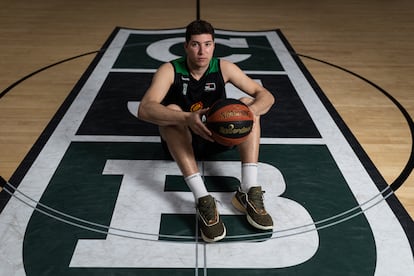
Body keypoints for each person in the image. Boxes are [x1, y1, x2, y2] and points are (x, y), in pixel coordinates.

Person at [138, 20, 275, 242]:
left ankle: (248, 190)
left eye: (207, 44)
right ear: (185, 46)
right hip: (184, 141)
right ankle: (203, 199)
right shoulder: (170, 70)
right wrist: (186, 118)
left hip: (217, 138)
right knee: (171, 111)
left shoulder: (224, 67)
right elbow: (144, 109)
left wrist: (248, 113)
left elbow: (266, 95)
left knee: (247, 105)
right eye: (195, 44)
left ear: (214, 46)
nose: (202, 51)